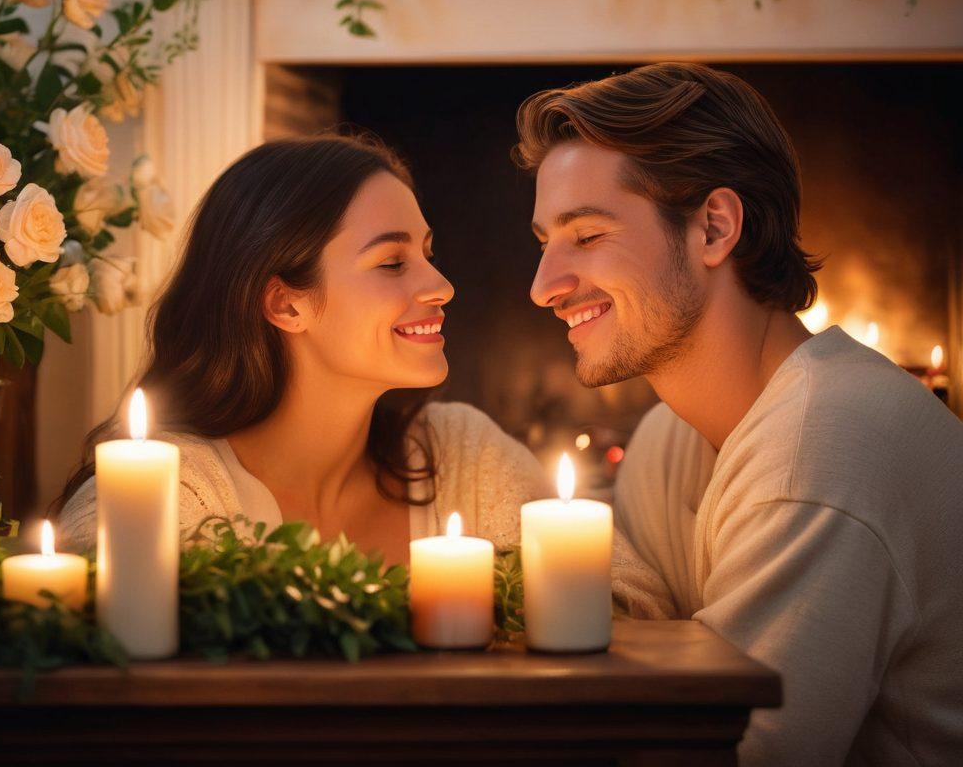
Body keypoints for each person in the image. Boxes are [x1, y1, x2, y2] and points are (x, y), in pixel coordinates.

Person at [514, 62, 963, 766]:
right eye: (545, 242)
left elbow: (735, 754)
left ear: (715, 228)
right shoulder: (672, 437)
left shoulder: (821, 451)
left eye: (588, 235)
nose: (545, 286)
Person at [56, 133, 669, 616]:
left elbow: (635, 606)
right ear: (285, 304)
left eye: (427, 254)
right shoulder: (163, 491)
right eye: (392, 262)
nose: (441, 286)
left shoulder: (461, 452)